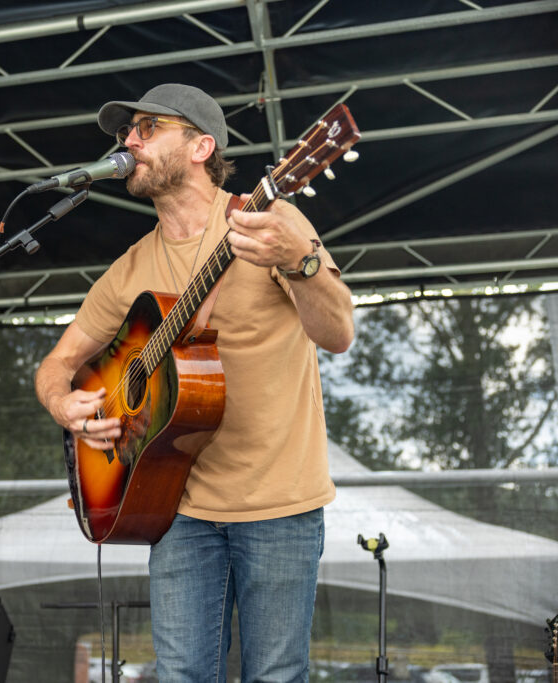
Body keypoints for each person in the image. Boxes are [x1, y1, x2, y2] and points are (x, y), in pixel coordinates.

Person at [34, 84, 354, 682]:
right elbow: (58, 362)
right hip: (175, 506)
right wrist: (63, 401)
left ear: (202, 146)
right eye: (127, 132)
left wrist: (300, 262)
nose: (129, 141)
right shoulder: (129, 267)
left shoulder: (267, 220)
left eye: (149, 128)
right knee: (180, 675)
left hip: (280, 504)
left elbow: (337, 332)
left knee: (277, 675)